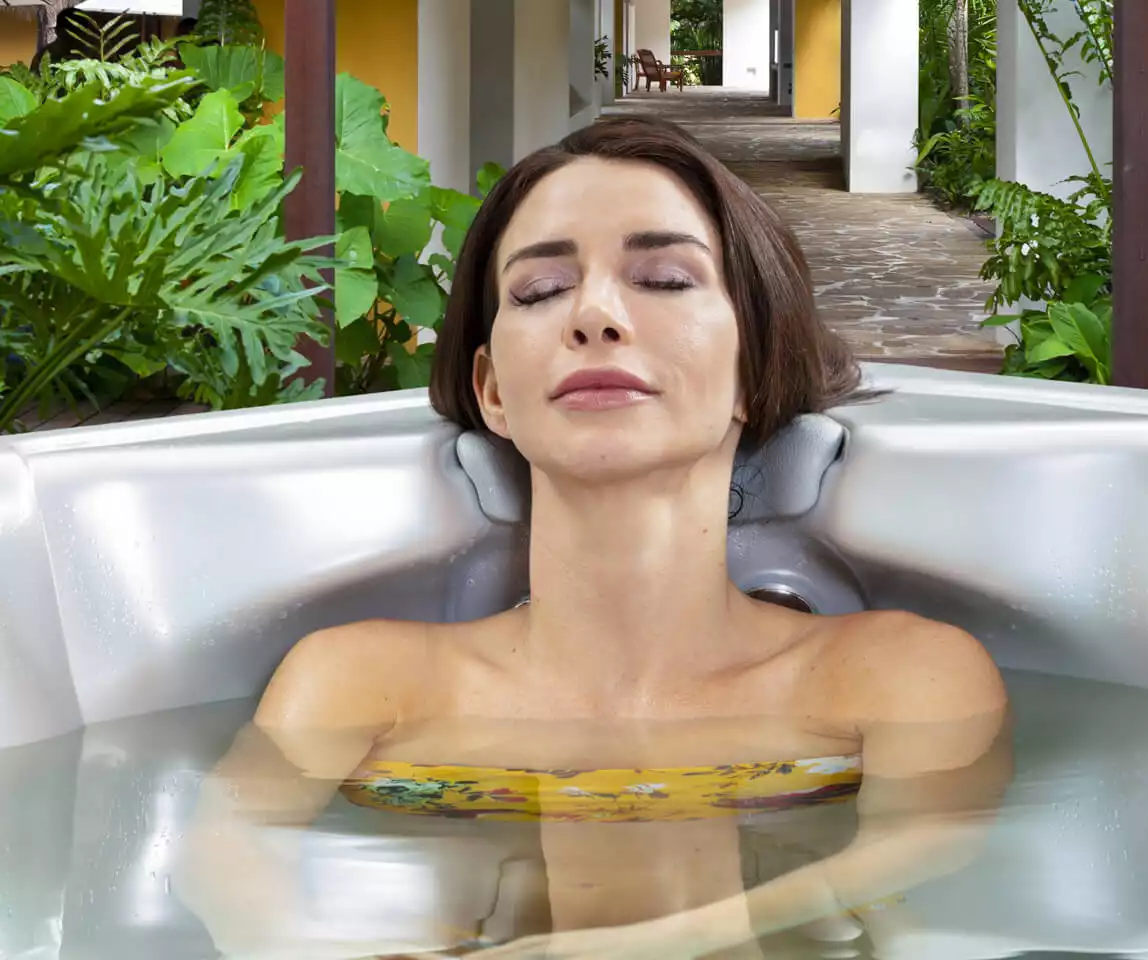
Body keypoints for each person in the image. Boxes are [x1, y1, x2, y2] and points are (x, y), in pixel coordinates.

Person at [178, 115, 1010, 960]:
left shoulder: (899, 678)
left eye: (664, 279)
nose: (597, 315)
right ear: (493, 390)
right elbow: (222, 863)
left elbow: (917, 858)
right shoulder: (363, 685)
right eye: (540, 292)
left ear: (755, 368)